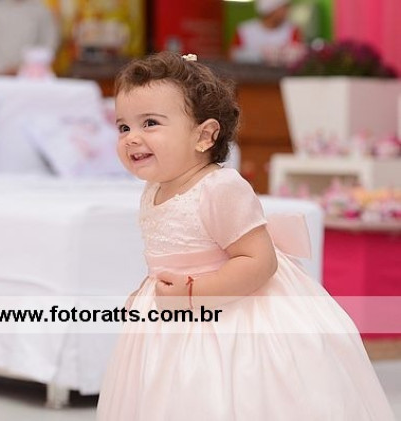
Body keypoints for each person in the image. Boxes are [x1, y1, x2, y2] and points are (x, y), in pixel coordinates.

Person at [96, 51, 394, 420]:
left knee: (227, 390)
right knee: (170, 392)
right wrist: (146, 290)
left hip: (230, 309)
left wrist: (194, 293)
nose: (132, 138)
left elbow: (259, 260)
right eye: (123, 127)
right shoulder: (155, 188)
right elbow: (171, 254)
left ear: (204, 135)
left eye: (150, 123)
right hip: (174, 314)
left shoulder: (220, 188)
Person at [0, 0, 60, 75]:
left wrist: (26, 68)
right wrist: (1, 68)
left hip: (30, 77)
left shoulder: (41, 9)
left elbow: (49, 42)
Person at [230, 0, 303, 65]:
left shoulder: (292, 30)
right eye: (284, 7)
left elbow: (299, 60)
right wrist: (260, 56)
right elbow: (232, 56)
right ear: (271, 9)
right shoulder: (244, 30)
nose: (288, 11)